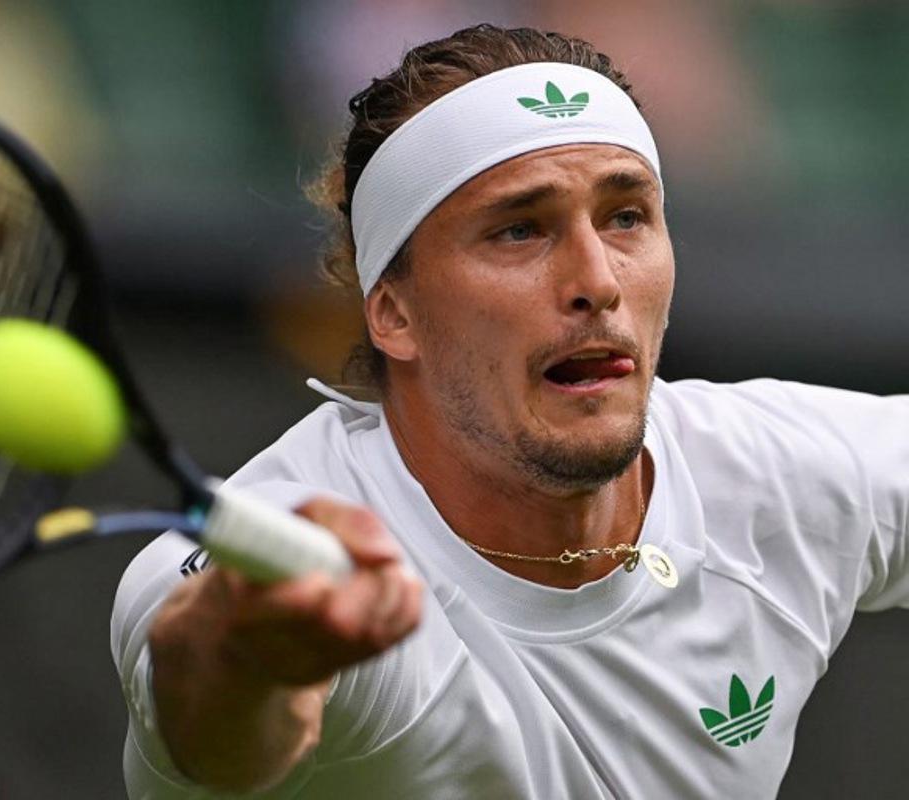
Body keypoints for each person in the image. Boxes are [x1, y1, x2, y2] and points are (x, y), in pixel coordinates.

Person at [110, 24, 909, 798]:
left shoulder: (786, 474)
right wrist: (256, 648)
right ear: (394, 313)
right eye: (520, 230)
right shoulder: (295, 546)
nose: (597, 281)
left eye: (625, 217)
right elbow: (211, 717)